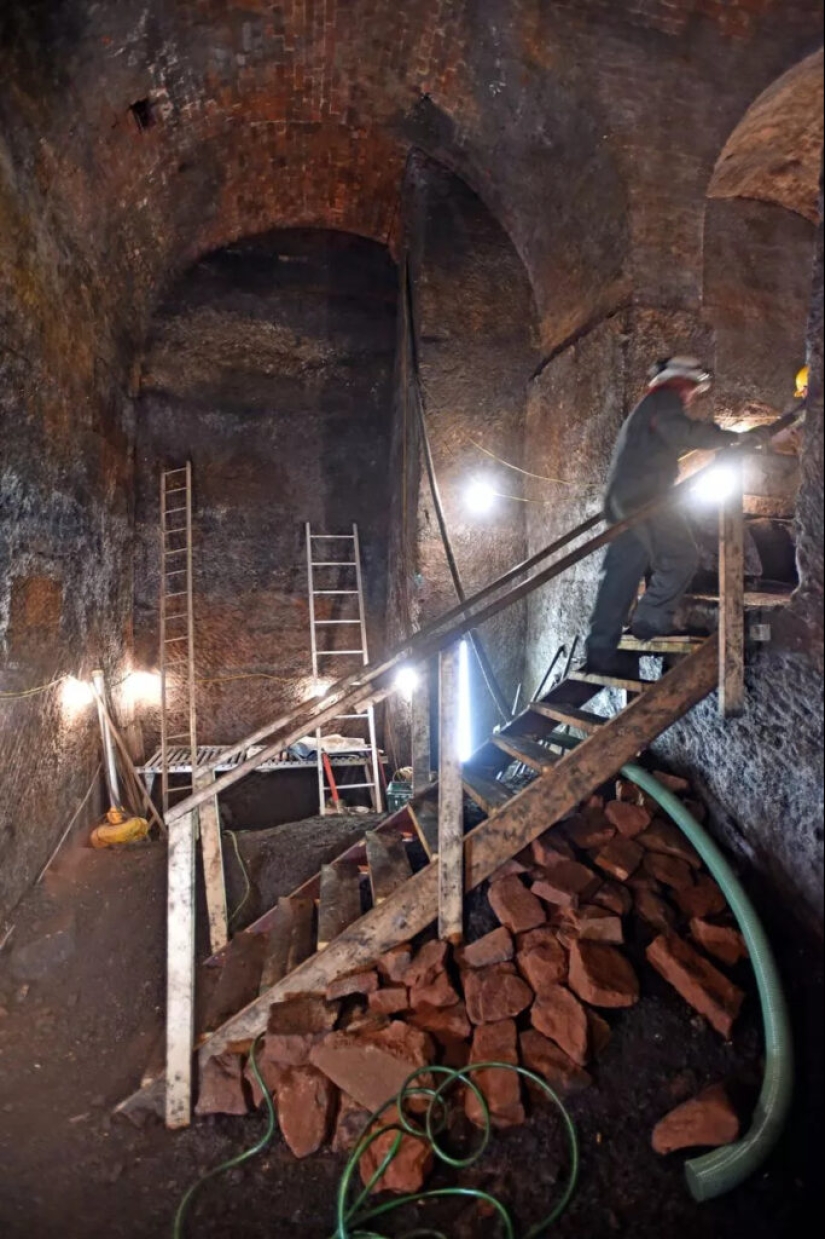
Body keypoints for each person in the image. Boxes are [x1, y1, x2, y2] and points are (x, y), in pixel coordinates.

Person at [583, 356, 754, 675]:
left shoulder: (646, 407)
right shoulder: (664, 400)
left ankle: (600, 652)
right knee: (681, 555)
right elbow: (681, 431)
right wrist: (734, 438)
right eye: (692, 389)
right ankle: (647, 624)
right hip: (646, 498)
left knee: (622, 574)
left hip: (623, 498)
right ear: (683, 383)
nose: (692, 396)